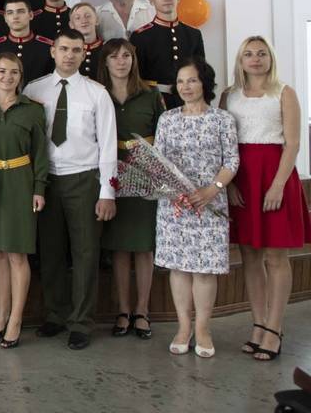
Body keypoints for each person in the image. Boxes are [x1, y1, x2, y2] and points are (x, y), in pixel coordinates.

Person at [24, 29, 117, 351]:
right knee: (50, 252)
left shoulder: (96, 93)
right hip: (47, 180)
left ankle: (81, 322)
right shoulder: (34, 89)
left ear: (84, 53)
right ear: (53, 51)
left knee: (85, 253)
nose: (69, 55)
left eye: (76, 50)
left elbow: (108, 145)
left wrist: (107, 192)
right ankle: (55, 315)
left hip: (84, 179)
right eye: (64, 49)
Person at [222, 36, 310, 361]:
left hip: (275, 176)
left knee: (275, 257)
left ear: (270, 58)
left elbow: (293, 143)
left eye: (261, 53)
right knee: (249, 255)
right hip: (242, 178)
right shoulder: (229, 95)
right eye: (248, 53)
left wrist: (277, 186)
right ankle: (258, 324)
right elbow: (223, 143)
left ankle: (274, 328)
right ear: (240, 60)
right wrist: (229, 184)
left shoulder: (284, 92)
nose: (255, 58)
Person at [154, 58, 239, 358]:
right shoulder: (167, 119)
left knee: (204, 270)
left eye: (192, 80)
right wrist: (173, 192)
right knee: (178, 268)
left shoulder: (222, 119)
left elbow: (232, 161)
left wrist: (212, 189)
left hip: (210, 203)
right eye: (180, 81)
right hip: (175, 206)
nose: (185, 87)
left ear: (205, 82)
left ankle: (203, 329)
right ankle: (183, 327)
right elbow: (158, 162)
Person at [0, 52, 49, 349]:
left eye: (14, 72)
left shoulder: (32, 110)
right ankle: (2, 314)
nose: (7, 77)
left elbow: (41, 152)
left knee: (17, 254)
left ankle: (16, 320)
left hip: (21, 182)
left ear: (21, 77)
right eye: (2, 71)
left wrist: (39, 188)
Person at [97, 39, 164, 341]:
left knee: (143, 246)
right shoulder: (98, 94)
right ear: (105, 62)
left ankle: (142, 311)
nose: (121, 61)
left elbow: (163, 136)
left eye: (126, 56)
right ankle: (123, 310)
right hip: (110, 172)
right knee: (120, 246)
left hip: (144, 174)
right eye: (114, 57)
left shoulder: (150, 95)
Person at [130, 0, 205, 107]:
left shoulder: (193, 34)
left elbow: (202, 72)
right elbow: (136, 77)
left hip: (189, 101)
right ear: (151, 1)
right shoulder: (140, 36)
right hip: (155, 101)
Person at [0, 0, 53, 97]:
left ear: (31, 15)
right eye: (10, 12)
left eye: (20, 11)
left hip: (39, 101)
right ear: (5, 18)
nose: (15, 16)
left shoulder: (46, 47)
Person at [69, 2, 103, 78]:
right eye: (78, 18)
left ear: (97, 20)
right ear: (71, 25)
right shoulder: (68, 51)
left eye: (88, 16)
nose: (84, 21)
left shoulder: (107, 49)